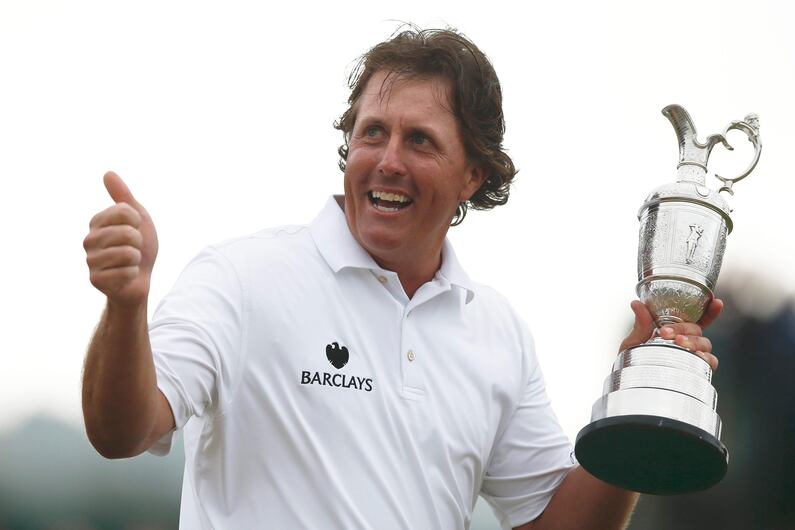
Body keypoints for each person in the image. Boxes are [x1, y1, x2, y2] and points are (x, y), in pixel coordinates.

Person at [81, 27, 721, 529]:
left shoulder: (496, 331)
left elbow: (557, 524)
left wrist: (639, 407)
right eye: (372, 134)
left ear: (473, 175)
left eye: (419, 141)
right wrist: (125, 307)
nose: (387, 161)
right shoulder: (242, 277)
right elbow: (122, 429)